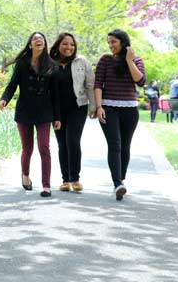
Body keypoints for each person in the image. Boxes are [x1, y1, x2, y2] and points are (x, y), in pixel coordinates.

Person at [0, 32, 60, 198]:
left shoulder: (51, 65)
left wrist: (57, 117)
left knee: (44, 147)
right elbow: (12, 85)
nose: (38, 40)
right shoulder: (22, 63)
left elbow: (55, 94)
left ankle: (46, 185)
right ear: (30, 44)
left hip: (44, 112)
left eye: (41, 38)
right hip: (24, 111)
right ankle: (25, 175)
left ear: (45, 44)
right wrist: (4, 99)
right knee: (28, 148)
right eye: (35, 39)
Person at [94, 29, 146, 201]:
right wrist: (99, 106)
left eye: (113, 42)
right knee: (114, 145)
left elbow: (140, 81)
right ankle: (117, 183)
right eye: (109, 42)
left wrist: (129, 60)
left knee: (125, 146)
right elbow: (98, 84)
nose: (110, 46)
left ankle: (120, 180)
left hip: (130, 109)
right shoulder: (105, 60)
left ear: (123, 42)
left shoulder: (136, 59)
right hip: (109, 107)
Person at [49, 32, 95, 192]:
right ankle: (65, 180)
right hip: (57, 110)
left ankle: (75, 178)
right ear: (58, 45)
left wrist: (94, 106)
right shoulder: (49, 62)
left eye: (72, 44)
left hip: (78, 107)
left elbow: (90, 84)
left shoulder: (81, 62)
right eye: (65, 44)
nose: (69, 47)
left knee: (73, 141)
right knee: (62, 143)